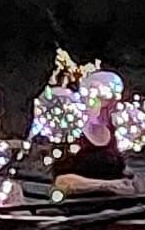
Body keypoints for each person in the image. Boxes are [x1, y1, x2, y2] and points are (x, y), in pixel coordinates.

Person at [48, 70, 138, 199]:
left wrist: (127, 183)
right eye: (102, 99)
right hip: (79, 205)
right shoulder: (71, 135)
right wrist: (108, 185)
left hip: (116, 203)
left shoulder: (116, 133)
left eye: (113, 100)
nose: (109, 106)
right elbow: (61, 182)